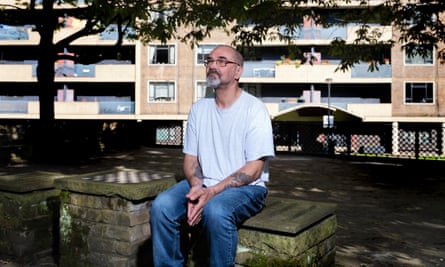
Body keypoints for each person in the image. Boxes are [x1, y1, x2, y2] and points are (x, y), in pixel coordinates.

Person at [150, 45, 275, 267]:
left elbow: (254, 169)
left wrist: (212, 192)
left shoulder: (254, 109)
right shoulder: (199, 109)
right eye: (209, 61)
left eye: (221, 61)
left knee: (216, 210)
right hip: (206, 181)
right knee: (162, 206)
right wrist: (197, 186)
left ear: (238, 71)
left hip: (248, 188)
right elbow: (191, 159)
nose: (213, 66)